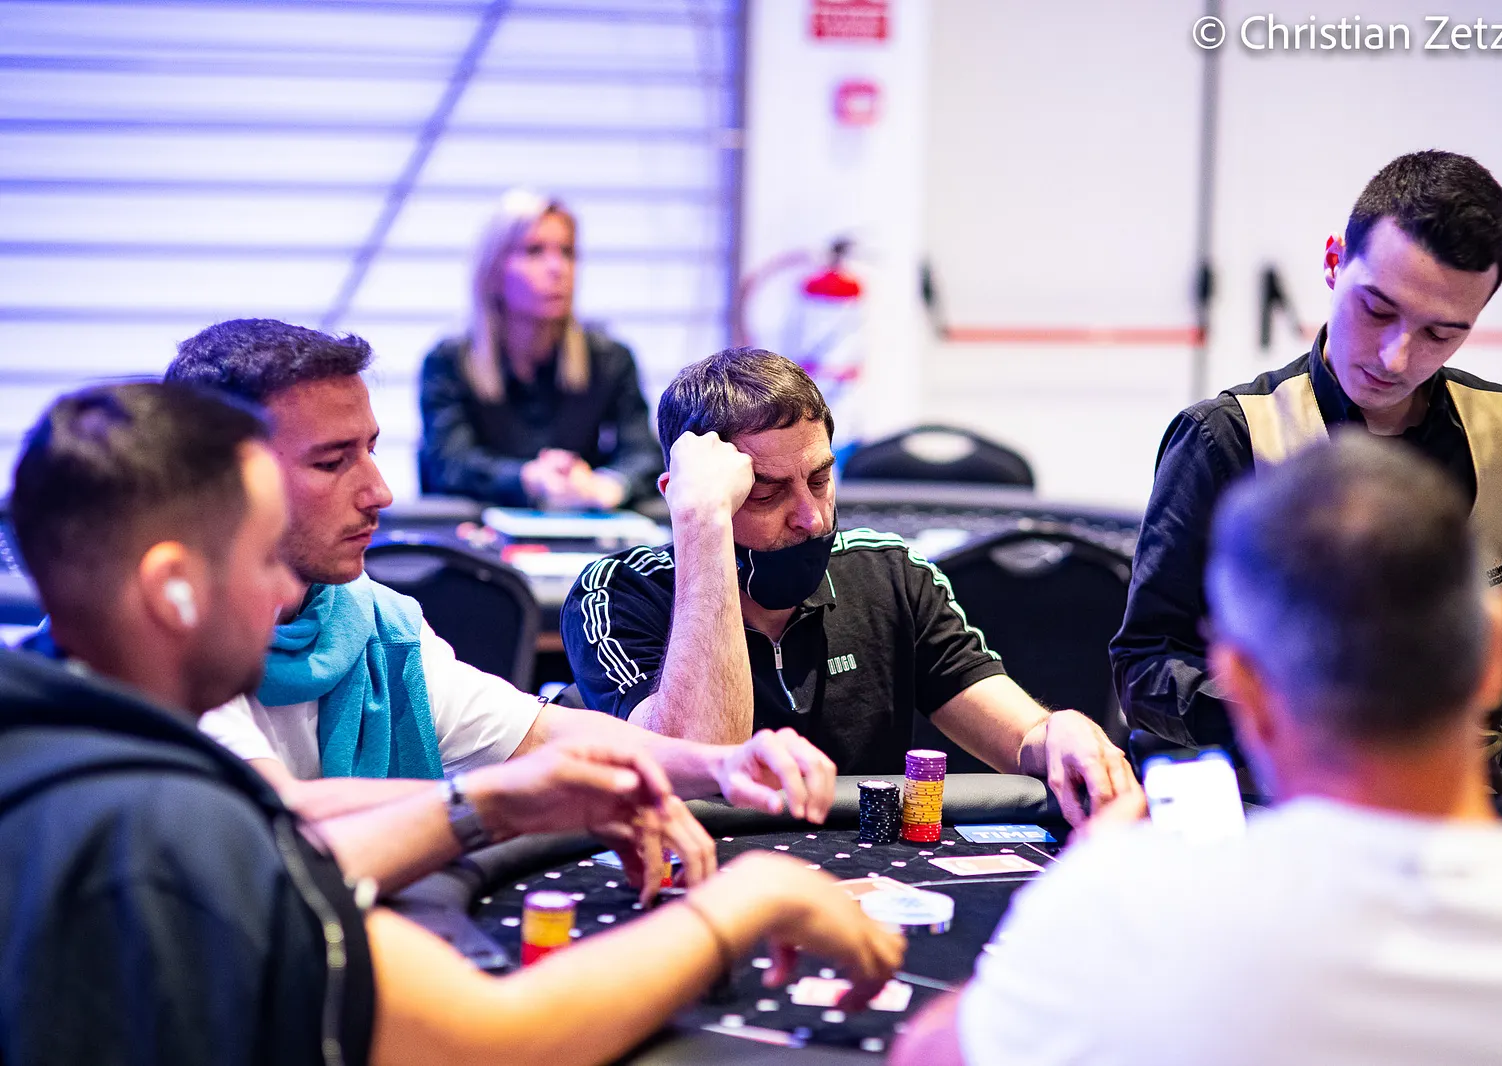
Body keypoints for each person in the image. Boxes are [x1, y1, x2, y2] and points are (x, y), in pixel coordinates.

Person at [0, 381, 903, 1066]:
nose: (284, 590)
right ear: (171, 589)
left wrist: (529, 796)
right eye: (260, 556)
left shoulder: (48, 745)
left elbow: (534, 742)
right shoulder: (164, 833)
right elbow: (502, 1037)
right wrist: (752, 899)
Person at [891, 433, 1502, 1066]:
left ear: (1243, 686)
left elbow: (927, 1056)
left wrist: (1074, 900)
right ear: (1492, 652)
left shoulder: (1122, 913)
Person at [164, 320, 837, 879]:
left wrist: (722, 763)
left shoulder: (369, 621)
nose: (379, 492)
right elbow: (275, 820)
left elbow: (552, 735)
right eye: (331, 462)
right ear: (228, 480)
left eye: (370, 450)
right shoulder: (165, 642)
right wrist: (512, 800)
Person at [1109, 149, 1502, 792]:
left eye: (1440, 334)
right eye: (1378, 310)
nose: (1397, 357)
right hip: (1269, 806)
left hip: (1461, 808)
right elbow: (1147, 664)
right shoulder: (1225, 438)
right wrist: (1307, 718)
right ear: (1334, 261)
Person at [561, 346, 1136, 823]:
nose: (811, 517)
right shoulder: (616, 596)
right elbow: (700, 762)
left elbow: (1024, 737)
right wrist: (703, 526)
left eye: (819, 480)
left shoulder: (889, 573)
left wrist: (1061, 733)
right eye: (765, 493)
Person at [418, 189, 663, 509]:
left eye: (567, 252)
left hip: (581, 525)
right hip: (478, 530)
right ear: (494, 270)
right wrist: (529, 478)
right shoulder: (449, 362)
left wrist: (607, 485)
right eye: (534, 251)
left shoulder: (610, 358)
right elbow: (450, 465)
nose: (557, 268)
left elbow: (644, 453)